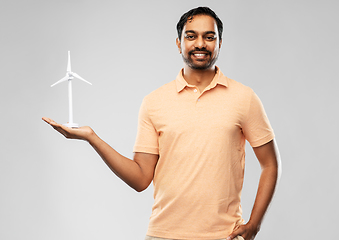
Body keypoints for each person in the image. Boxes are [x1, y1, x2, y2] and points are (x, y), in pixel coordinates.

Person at [43, 6, 281, 240]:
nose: (200, 44)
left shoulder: (244, 98)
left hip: (223, 236)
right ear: (179, 43)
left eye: (210, 37)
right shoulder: (154, 102)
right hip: (163, 236)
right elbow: (140, 179)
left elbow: (270, 164)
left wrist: (254, 225)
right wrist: (91, 137)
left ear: (220, 43)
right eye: (191, 36)